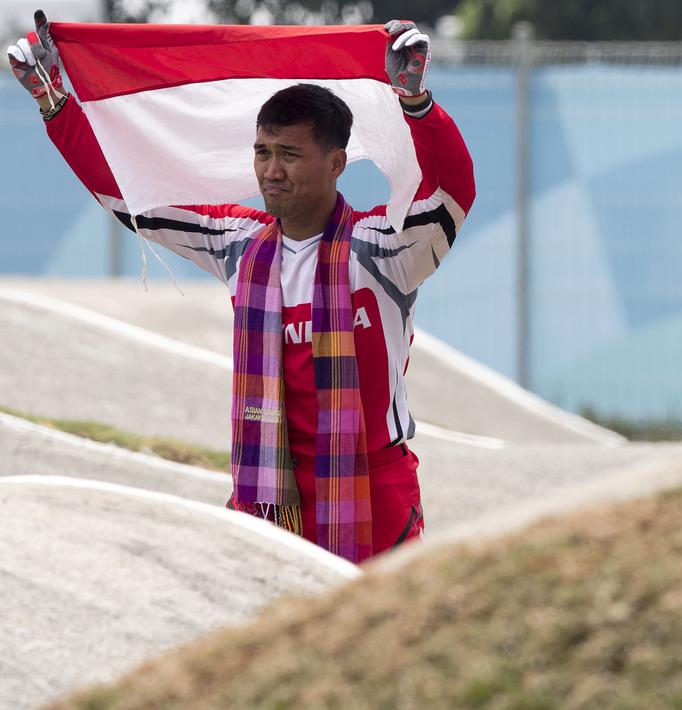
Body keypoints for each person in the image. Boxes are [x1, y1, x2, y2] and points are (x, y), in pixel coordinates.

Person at [7, 14, 476, 562]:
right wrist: (55, 105)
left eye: (289, 154)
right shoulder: (238, 242)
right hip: (266, 492)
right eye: (262, 151)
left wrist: (417, 104)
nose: (271, 170)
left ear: (336, 163)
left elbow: (452, 194)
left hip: (372, 492)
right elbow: (135, 199)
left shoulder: (384, 249)